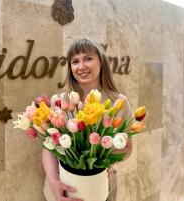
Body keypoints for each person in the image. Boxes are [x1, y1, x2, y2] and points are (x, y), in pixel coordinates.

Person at [42, 38, 133, 201]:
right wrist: (54, 182)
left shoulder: (118, 102)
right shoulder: (60, 101)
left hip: (100, 186)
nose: (81, 66)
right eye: (75, 61)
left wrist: (108, 160)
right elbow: (49, 146)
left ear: (101, 62)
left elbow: (127, 147)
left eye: (88, 58)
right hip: (63, 189)